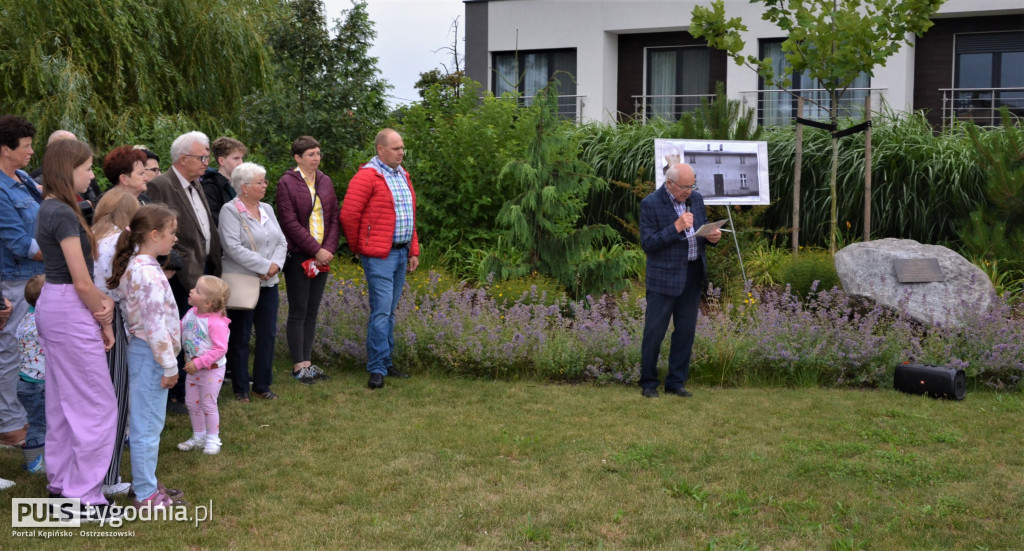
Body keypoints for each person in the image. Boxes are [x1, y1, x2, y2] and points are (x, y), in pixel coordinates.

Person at [34, 138, 119, 522]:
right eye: (86, 168)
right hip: (70, 305)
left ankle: (63, 482)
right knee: (95, 405)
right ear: (68, 169)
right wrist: (104, 313)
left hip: (56, 304)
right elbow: (82, 281)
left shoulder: (49, 207)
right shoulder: (64, 213)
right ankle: (83, 496)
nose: (91, 174)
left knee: (63, 401)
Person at [107, 204, 184, 510]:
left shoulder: (140, 266)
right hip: (150, 354)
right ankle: (145, 494)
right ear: (154, 235)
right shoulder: (148, 274)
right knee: (147, 426)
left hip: (143, 352)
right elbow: (154, 325)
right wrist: (169, 364)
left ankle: (145, 483)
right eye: (172, 233)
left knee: (146, 423)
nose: (175, 239)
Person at [146, 131, 222, 413]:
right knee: (177, 332)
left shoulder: (195, 183)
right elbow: (156, 230)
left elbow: (203, 226)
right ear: (182, 159)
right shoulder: (160, 185)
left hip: (203, 267)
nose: (206, 162)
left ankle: (193, 387)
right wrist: (175, 263)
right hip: (177, 273)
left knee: (195, 332)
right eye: (202, 157)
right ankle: (175, 394)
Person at [341, 128, 420, 390]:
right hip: (379, 256)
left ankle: (386, 362)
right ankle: (376, 368)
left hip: (400, 252)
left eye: (402, 148)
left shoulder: (403, 174)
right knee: (382, 310)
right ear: (380, 150)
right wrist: (360, 246)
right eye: (396, 148)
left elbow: (409, 215)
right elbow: (349, 216)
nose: (401, 152)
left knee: (389, 312)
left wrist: (414, 249)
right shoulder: (367, 177)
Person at [638, 162, 721, 398]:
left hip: (692, 274)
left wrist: (712, 237)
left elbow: (699, 233)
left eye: (691, 186)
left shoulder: (696, 199)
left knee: (685, 332)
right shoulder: (650, 204)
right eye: (685, 187)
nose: (688, 191)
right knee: (654, 332)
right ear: (670, 184)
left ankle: (676, 382)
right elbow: (648, 243)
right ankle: (648, 383)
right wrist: (675, 227)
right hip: (663, 278)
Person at [220, 162, 287, 402]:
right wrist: (263, 265)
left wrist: (275, 266)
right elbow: (232, 247)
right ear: (244, 187)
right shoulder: (230, 211)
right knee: (240, 336)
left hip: (269, 283)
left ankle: (262, 385)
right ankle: (240, 389)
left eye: (265, 181)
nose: (265, 185)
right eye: (260, 182)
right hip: (243, 283)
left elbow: (281, 242)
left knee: (267, 335)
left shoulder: (267, 208)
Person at [276, 136, 339, 385]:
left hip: (323, 254)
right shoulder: (287, 183)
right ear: (297, 158)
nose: (316, 158)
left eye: (318, 153)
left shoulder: (325, 181)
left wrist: (328, 249)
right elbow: (289, 223)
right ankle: (298, 365)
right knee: (299, 310)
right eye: (311, 154)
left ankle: (308, 364)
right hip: (300, 254)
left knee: (312, 310)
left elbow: (334, 216)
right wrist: (315, 249)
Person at [91, 188, 140, 496]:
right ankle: (108, 477)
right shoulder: (120, 244)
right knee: (116, 400)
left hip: (84, 320)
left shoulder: (91, 239)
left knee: (92, 402)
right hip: (112, 323)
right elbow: (126, 290)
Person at [0, 115, 43, 449]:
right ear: (5, 149)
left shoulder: (24, 179)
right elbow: (18, 243)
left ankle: (26, 416)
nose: (31, 151)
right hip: (14, 282)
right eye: (26, 146)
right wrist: (63, 250)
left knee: (31, 350)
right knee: (11, 352)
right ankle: (11, 424)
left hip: (36, 280)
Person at [177, 275, 230, 455]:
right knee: (192, 403)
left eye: (197, 290)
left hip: (210, 372)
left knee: (208, 404)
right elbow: (182, 327)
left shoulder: (216, 323)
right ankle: (199, 435)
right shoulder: (192, 312)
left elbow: (220, 349)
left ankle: (213, 438)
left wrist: (198, 362)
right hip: (193, 370)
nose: (191, 290)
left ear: (207, 303)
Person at [15, 274, 45, 474]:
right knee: (40, 423)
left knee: (36, 420)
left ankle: (35, 459)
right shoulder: (42, 321)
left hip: (25, 381)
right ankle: (35, 462)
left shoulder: (27, 317)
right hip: (38, 383)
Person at [201, 137, 246, 226]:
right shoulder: (210, 187)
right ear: (222, 161)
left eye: (241, 158)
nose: (241, 163)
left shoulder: (242, 184)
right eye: (236, 158)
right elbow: (217, 221)